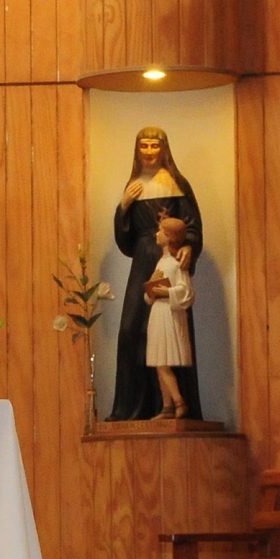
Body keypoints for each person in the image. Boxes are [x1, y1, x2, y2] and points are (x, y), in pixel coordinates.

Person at [108, 125, 202, 421]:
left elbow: (192, 226)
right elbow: (125, 241)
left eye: (154, 146)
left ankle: (174, 405)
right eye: (144, 146)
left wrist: (188, 246)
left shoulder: (177, 184)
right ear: (137, 150)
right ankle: (133, 409)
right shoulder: (133, 185)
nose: (149, 152)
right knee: (131, 330)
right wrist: (123, 207)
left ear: (164, 149)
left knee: (171, 333)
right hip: (142, 261)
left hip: (170, 260)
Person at [144, 211, 196, 420]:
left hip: (168, 313)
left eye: (160, 231)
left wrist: (166, 292)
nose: (156, 234)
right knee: (159, 360)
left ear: (169, 237)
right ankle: (167, 407)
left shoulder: (176, 263)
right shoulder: (161, 263)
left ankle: (179, 402)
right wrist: (151, 291)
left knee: (163, 362)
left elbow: (186, 291)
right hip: (158, 312)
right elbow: (151, 293)